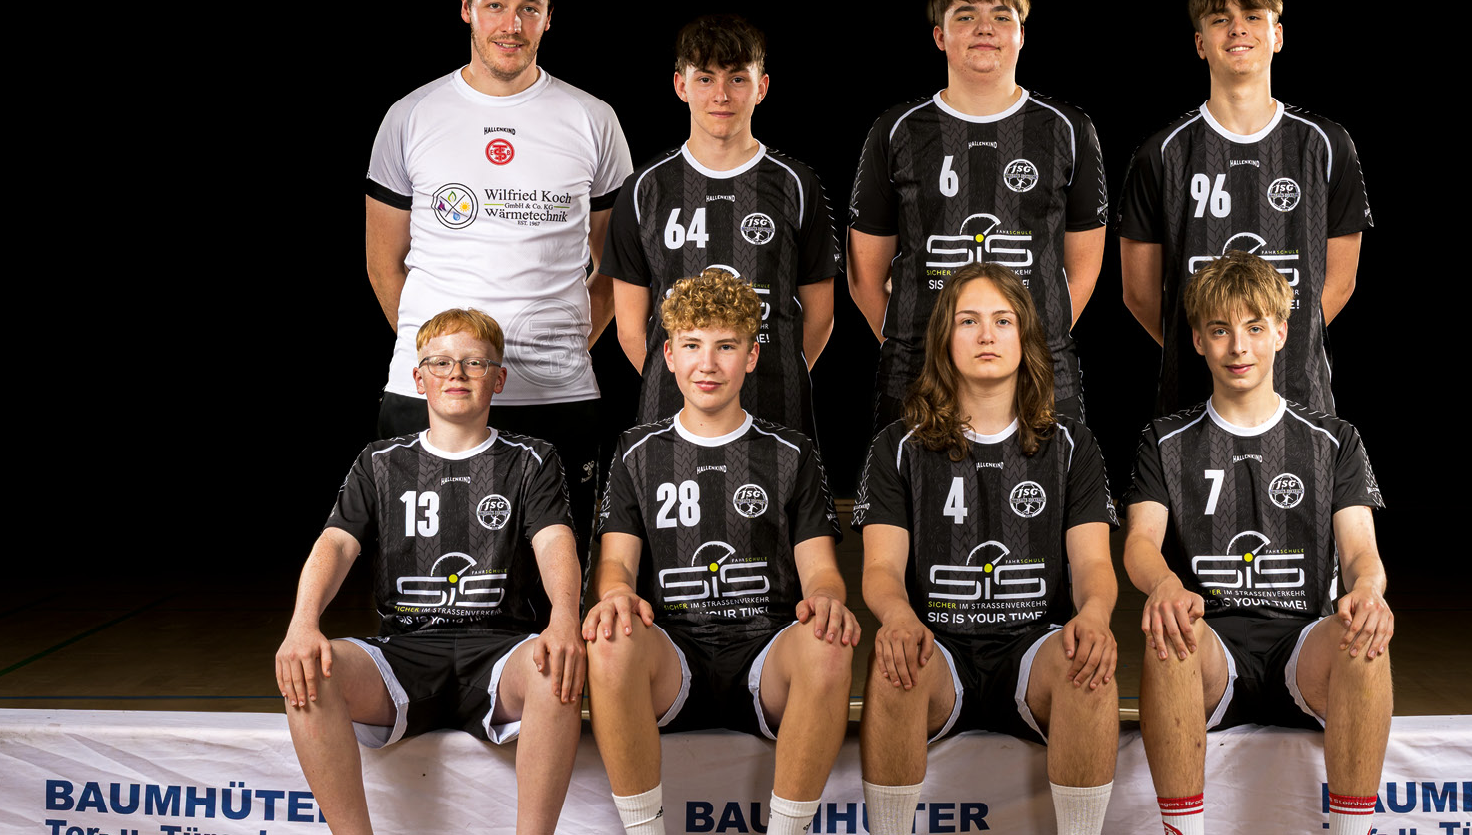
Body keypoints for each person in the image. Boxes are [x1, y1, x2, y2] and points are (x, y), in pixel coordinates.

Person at [274, 308, 586, 835]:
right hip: (405, 649)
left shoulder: (531, 460)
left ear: (497, 379)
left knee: (555, 666)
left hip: (501, 649)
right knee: (310, 669)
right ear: (419, 379)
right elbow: (336, 544)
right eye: (440, 363)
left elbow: (555, 541)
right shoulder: (379, 462)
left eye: (474, 363)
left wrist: (564, 619)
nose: (456, 374)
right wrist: (302, 623)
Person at [364, 0, 633, 532]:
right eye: (496, 5)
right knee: (426, 577)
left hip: (556, 396)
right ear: (466, 7)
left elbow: (616, 265)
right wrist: (438, 360)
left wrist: (564, 343)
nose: (512, 25)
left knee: (556, 579)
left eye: (530, 8)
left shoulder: (593, 119)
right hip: (428, 397)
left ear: (548, 16)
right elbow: (384, 264)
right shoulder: (410, 116)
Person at [1120, 251, 1390, 835]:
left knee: (1365, 635)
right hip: (1211, 649)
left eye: (1254, 327)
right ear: (1198, 340)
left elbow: (1360, 552)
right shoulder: (1164, 440)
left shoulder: (1334, 440)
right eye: (1220, 330)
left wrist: (1369, 589)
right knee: (1171, 632)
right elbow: (1140, 543)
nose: (1238, 347)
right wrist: (1164, 584)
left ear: (1282, 333)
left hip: (1302, 646)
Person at [585, 270, 856, 835]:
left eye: (726, 346)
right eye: (692, 345)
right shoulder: (636, 452)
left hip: (766, 655)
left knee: (828, 640)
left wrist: (828, 599)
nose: (707, 364)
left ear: (751, 357)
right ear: (669, 355)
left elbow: (822, 573)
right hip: (673, 655)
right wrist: (614, 594)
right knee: (610, 634)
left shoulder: (791, 452)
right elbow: (615, 564)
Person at [853, 262, 1119, 835]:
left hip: (1033, 648)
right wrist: (897, 617)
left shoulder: (1072, 445)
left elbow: (1094, 563)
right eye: (968, 321)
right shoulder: (897, 446)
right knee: (895, 661)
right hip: (939, 650)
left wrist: (1096, 615)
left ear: (1025, 338)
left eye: (1002, 321)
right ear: (944, 339)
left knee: (1087, 663)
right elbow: (880, 569)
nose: (986, 336)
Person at [847, 0, 1107, 431]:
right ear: (939, 36)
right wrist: (916, 344)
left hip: (1041, 373)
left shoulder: (1068, 129)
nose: (985, 27)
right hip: (916, 374)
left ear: (1021, 35)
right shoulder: (896, 130)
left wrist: (1025, 345)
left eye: (1002, 16)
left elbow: (1083, 272)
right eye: (965, 15)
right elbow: (865, 276)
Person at [1115, 0, 1372, 418]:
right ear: (1200, 44)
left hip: (1299, 392)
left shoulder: (1326, 144)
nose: (1238, 28)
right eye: (1220, 19)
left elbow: (1340, 280)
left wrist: (1270, 344)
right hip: (1192, 399)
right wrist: (1211, 346)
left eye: (1253, 16)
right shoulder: (1161, 153)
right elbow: (1139, 293)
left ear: (1277, 35)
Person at [602, 15, 840, 437]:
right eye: (706, 79)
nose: (722, 95)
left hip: (777, 406)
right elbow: (630, 328)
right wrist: (695, 386)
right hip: (671, 408)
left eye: (738, 79)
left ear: (762, 87)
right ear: (681, 85)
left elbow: (820, 318)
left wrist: (772, 371)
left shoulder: (797, 185)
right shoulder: (643, 189)